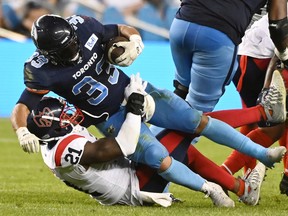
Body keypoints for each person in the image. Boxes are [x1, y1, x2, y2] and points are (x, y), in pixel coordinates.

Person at [10, 14, 287, 207]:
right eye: (64, 49)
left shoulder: (82, 26)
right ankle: (212, 189)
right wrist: (22, 129)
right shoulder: (40, 70)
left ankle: (263, 155)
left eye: (72, 42)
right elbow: (24, 104)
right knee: (157, 156)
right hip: (112, 119)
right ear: (47, 53)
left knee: (196, 120)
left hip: (137, 90)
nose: (72, 48)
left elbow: (119, 29)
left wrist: (134, 40)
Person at [27, 96, 266, 207]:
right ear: (54, 127)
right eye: (64, 116)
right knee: (191, 125)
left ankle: (243, 190)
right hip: (138, 187)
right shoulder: (67, 150)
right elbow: (124, 146)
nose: (71, 116)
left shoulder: (54, 142)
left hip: (130, 183)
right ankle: (262, 112)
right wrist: (133, 112)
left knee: (186, 152)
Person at [169, 1, 288, 112]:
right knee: (196, 115)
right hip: (221, 35)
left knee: (180, 92)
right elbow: (278, 26)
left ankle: (154, 126)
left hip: (182, 23)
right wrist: (285, 56)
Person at [219, 13, 288, 195]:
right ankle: (222, 175)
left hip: (249, 59)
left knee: (259, 121)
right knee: (276, 124)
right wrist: (266, 88)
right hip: (254, 63)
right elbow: (279, 53)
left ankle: (240, 174)